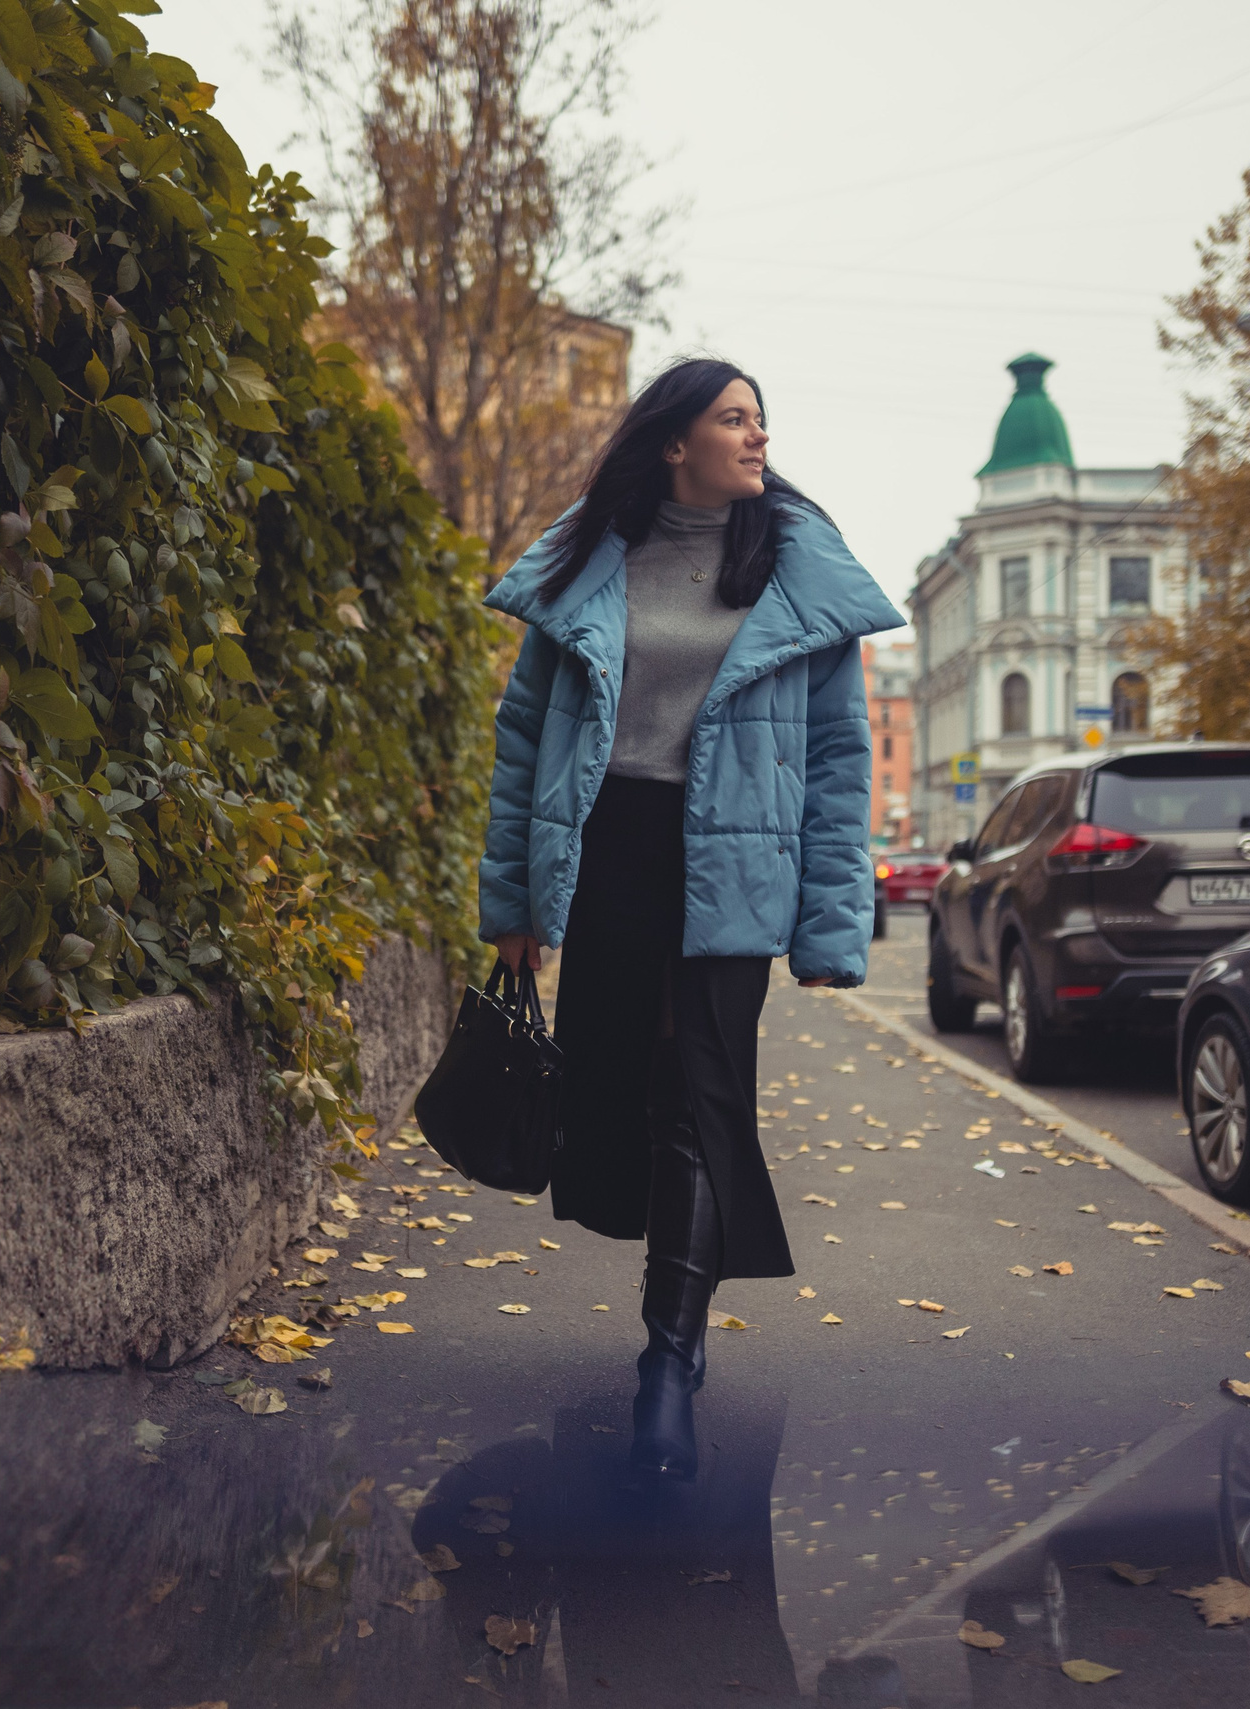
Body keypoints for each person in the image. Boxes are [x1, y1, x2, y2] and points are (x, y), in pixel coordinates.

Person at [477, 356, 901, 1478]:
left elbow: (836, 763)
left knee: (701, 1097)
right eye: (733, 418)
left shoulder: (797, 573)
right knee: (619, 1091)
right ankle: (664, 1325)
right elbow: (525, 738)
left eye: (762, 419)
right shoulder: (590, 562)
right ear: (675, 442)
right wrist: (513, 901)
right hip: (612, 848)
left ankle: (670, 1361)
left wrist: (828, 925)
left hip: (734, 864)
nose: (758, 437)